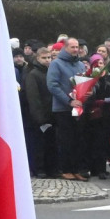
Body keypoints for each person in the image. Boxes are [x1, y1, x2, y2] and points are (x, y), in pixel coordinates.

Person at [46, 37, 88, 181]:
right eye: (72, 47)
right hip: (63, 109)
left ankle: (76, 169)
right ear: (65, 48)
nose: (76, 50)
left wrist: (89, 92)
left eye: (77, 47)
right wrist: (69, 101)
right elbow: (52, 85)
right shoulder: (56, 64)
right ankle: (65, 169)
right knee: (66, 140)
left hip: (79, 107)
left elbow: (87, 83)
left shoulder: (81, 65)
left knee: (79, 139)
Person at [24, 47, 57, 178]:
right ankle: (40, 169)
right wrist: (40, 119)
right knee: (39, 145)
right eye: (44, 58)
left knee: (52, 144)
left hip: (53, 114)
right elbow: (33, 98)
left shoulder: (51, 72)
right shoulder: (33, 74)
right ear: (37, 58)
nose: (47, 60)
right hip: (40, 117)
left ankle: (52, 169)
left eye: (49, 57)